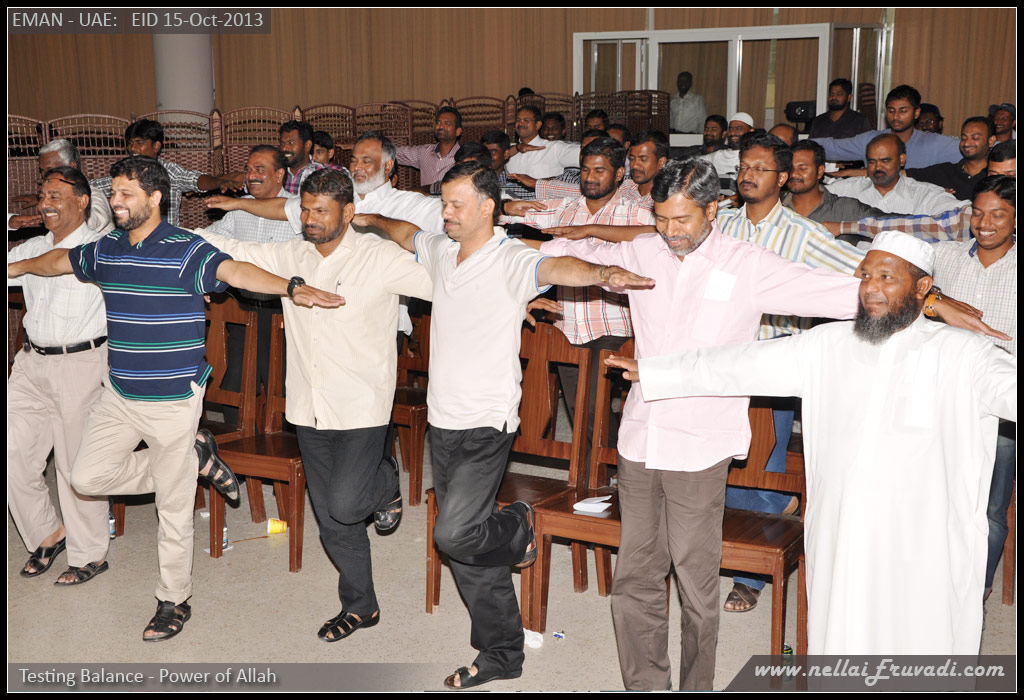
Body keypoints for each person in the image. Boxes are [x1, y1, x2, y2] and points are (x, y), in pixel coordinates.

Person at [536, 158, 864, 689]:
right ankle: (645, 684)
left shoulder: (748, 265)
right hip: (641, 438)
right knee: (635, 576)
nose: (670, 231)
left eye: (682, 219)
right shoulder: (645, 250)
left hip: (700, 444)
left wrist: (927, 299)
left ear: (714, 209)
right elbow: (565, 254)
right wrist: (525, 256)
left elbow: (836, 293)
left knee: (695, 583)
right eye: (661, 218)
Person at [610, 230, 1016, 655]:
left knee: (921, 637)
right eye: (865, 276)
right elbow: (738, 363)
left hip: (924, 539)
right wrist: (657, 372)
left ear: (922, 287)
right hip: (845, 531)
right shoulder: (829, 345)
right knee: (843, 635)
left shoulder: (964, 354)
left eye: (886, 277)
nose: (871, 288)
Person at [7, 156, 342, 641]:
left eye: (125, 194)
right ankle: (192, 459)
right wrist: (18, 266)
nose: (115, 202)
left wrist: (291, 288)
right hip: (119, 394)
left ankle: (173, 600)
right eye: (113, 193)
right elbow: (58, 261)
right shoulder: (106, 249)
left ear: (155, 197)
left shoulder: (185, 249)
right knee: (85, 477)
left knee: (173, 508)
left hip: (173, 396)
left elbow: (237, 271)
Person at [357, 160, 653, 690]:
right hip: (443, 419)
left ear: (487, 207)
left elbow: (559, 267)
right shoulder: (442, 250)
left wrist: (605, 275)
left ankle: (518, 525)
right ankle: (502, 653)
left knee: (453, 532)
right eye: (444, 203)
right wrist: (372, 218)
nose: (446, 213)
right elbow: (405, 233)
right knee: (468, 543)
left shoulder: (510, 258)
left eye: (456, 205)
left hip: (487, 421)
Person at [199, 167, 433, 642]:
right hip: (308, 405)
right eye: (305, 209)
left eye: (321, 211)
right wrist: (160, 234)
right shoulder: (291, 254)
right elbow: (232, 248)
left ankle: (385, 479)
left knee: (346, 504)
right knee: (330, 517)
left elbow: (447, 284)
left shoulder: (379, 257)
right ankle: (361, 605)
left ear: (348, 213)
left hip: (362, 405)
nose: (310, 219)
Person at [8, 166, 111, 586]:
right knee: (13, 449)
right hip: (30, 364)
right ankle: (47, 533)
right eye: (42, 195)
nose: (45, 203)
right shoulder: (31, 246)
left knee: (74, 463)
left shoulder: (99, 247)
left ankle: (90, 554)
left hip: (80, 364)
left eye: (56, 195)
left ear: (82, 201)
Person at [931, 176, 1016, 604]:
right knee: (932, 498)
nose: (985, 223)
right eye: (978, 213)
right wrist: (934, 300)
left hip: (1002, 408)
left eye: (998, 214)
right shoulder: (944, 257)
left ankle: (974, 594)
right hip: (940, 398)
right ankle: (930, 586)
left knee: (990, 509)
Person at [90, 119, 242, 226]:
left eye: (139, 143)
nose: (133, 149)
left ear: (156, 146)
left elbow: (198, 180)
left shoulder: (170, 172)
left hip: (167, 240)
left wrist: (219, 182)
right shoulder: (124, 173)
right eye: (130, 143)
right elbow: (92, 186)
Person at [812, 85, 961, 169]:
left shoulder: (934, 143)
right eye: (891, 111)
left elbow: (969, 150)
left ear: (916, 113)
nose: (895, 117)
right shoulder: (871, 140)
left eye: (903, 111)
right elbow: (833, 147)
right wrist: (801, 144)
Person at [826, 133, 966, 215]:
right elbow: (817, 196)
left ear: (902, 160)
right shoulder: (849, 189)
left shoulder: (923, 195)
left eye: (885, 161)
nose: (878, 167)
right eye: (872, 161)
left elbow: (965, 212)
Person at [9, 139, 114, 234]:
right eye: (42, 170)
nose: (44, 175)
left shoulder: (93, 195)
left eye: (50, 169)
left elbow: (92, 222)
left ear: (72, 166)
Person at [906, 116, 995, 201]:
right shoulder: (944, 172)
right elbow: (903, 175)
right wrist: (935, 197)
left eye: (975, 138)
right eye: (963, 138)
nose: (966, 143)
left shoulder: (996, 177)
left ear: (991, 141)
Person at [395, 106, 463, 189]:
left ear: (457, 131)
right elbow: (393, 153)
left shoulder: (464, 157)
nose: (441, 126)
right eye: (438, 123)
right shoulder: (424, 152)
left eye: (447, 123)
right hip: (425, 197)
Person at [808, 78, 872, 139]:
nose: (834, 97)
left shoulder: (860, 121)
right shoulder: (819, 121)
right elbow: (810, 145)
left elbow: (866, 144)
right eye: (831, 94)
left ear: (849, 97)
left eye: (839, 94)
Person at [278, 120, 325, 194]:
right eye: (282, 143)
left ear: (307, 145)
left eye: (291, 143)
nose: (284, 148)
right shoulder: (276, 172)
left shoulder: (320, 174)